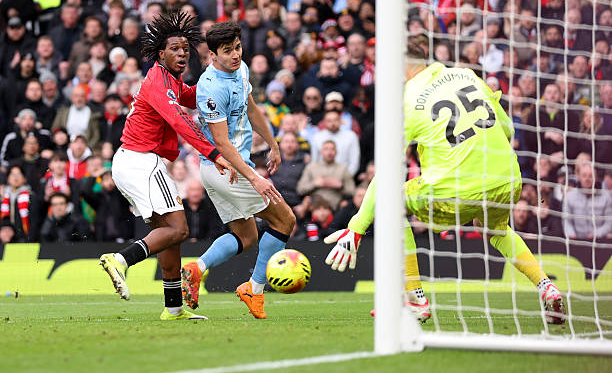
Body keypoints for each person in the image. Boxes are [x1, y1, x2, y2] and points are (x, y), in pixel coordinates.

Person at [324, 42, 567, 325]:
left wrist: (356, 228)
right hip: (506, 178)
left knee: (391, 203)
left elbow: (388, 171)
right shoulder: (465, 74)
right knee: (496, 229)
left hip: (457, 189)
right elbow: (508, 128)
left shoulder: (408, 99)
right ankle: (546, 286)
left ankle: (415, 298)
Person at [98, 11, 235, 321]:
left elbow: (192, 97)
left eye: (186, 49)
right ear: (161, 54)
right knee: (178, 228)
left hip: (136, 161)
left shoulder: (170, 81)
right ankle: (120, 259)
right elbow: (179, 120)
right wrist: (214, 153)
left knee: (170, 233)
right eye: (175, 48)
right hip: (140, 162)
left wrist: (221, 79)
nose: (182, 53)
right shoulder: (158, 80)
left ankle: (173, 308)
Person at [181, 21, 296, 319]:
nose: (235, 55)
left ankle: (197, 268)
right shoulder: (210, 88)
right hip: (225, 169)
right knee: (285, 220)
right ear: (212, 54)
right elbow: (221, 142)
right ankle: (254, 289)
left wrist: (273, 143)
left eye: (238, 48)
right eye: (227, 51)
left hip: (226, 170)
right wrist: (255, 178)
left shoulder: (241, 69)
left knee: (247, 237)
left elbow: (251, 107)